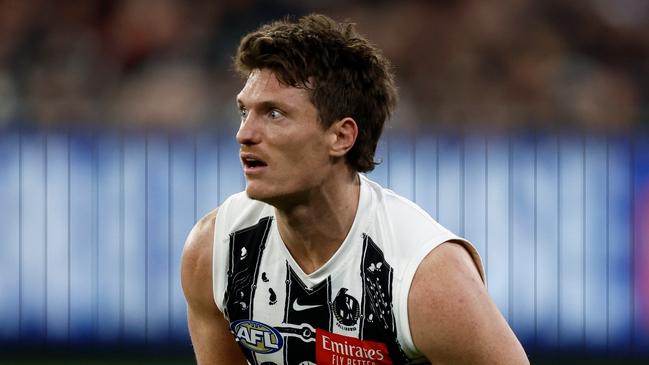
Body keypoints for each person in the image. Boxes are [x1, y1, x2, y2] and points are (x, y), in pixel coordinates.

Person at [181, 13, 529, 365]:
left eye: (273, 114)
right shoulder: (216, 250)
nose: (244, 134)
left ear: (341, 136)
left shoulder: (424, 275)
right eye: (244, 112)